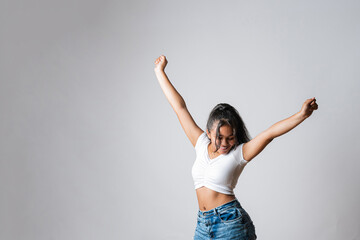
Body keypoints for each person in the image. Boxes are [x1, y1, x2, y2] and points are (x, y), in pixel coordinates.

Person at [154, 55, 318, 240]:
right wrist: (160, 72)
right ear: (208, 133)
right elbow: (180, 107)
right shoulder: (200, 144)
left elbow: (269, 133)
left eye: (230, 138)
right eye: (219, 138)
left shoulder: (238, 154)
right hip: (202, 224)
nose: (224, 144)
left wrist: (302, 114)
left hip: (230, 224)